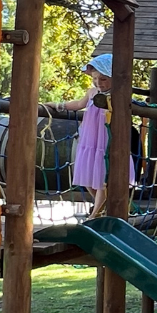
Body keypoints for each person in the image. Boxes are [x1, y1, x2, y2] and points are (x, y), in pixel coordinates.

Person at [45, 54, 134, 218]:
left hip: (106, 138)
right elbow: (79, 104)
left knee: (102, 177)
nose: (98, 82)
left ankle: (94, 214)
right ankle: (102, 206)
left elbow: (133, 107)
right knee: (87, 175)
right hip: (91, 138)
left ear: (113, 78)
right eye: (95, 78)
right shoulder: (92, 92)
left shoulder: (118, 94)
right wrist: (58, 105)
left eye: (103, 79)